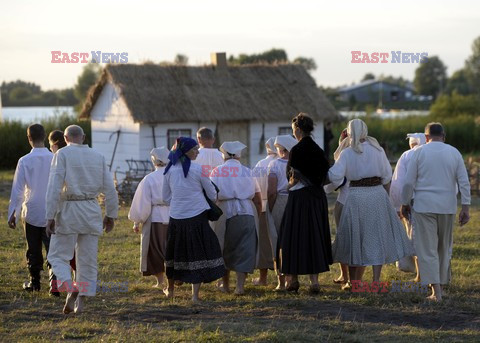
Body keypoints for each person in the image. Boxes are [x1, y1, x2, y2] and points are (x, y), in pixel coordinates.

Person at [329, 119, 413, 287]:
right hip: (376, 194)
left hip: (356, 196)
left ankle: (354, 283)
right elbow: (387, 175)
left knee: (355, 238)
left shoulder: (347, 153)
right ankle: (375, 281)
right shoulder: (378, 150)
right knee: (376, 237)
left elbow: (334, 176)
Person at [46, 125, 118, 314]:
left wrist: (49, 216)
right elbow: (110, 189)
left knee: (57, 255)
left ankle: (70, 287)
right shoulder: (98, 156)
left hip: (69, 209)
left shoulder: (62, 154)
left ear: (66, 137)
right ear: (84, 137)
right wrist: (110, 215)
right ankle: (81, 304)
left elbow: (53, 187)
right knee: (87, 260)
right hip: (91, 210)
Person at [401, 122, 470, 302]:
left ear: (426, 137)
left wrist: (405, 202)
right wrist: (466, 207)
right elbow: (464, 181)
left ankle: (436, 291)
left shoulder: (419, 152)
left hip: (424, 206)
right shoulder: (454, 153)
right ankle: (440, 286)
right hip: (447, 207)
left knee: (427, 249)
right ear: (444, 136)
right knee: (443, 248)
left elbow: (408, 182)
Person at [162, 137, 225, 303]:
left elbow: (166, 197)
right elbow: (212, 193)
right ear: (185, 151)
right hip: (197, 216)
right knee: (197, 252)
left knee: (174, 251)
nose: (197, 151)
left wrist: (179, 202)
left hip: (176, 217)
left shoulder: (168, 170)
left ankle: (171, 290)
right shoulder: (198, 169)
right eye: (194, 149)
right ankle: (195, 296)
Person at [276, 113, 333, 294]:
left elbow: (291, 177)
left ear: (299, 130)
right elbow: (325, 177)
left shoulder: (297, 150)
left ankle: (293, 280)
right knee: (313, 237)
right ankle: (314, 282)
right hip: (317, 199)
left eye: (294, 131)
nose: (294, 134)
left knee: (292, 237)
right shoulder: (319, 150)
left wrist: (290, 183)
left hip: (299, 199)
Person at [7, 124, 58, 295]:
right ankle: (55, 284)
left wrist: (12, 212)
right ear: (44, 137)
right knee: (53, 248)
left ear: (29, 138)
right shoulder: (55, 158)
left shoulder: (24, 161)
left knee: (33, 249)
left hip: (32, 210)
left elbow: (18, 190)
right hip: (52, 211)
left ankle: (34, 282)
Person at [210, 141, 262, 295]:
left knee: (223, 247)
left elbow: (212, 196)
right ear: (239, 155)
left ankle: (225, 285)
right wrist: (257, 214)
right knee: (245, 248)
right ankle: (239, 286)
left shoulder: (217, 171)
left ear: (224, 155)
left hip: (224, 210)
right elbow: (257, 198)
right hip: (247, 211)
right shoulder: (247, 171)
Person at [324, 128, 362, 291]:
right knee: (356, 240)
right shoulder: (363, 155)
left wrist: (322, 189)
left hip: (345, 201)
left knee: (344, 239)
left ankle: (348, 278)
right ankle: (349, 277)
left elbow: (335, 180)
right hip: (361, 202)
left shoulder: (344, 156)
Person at [128, 147, 170, 288]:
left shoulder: (149, 179)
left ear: (154, 161)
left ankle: (160, 281)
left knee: (155, 250)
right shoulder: (175, 175)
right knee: (173, 249)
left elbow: (142, 202)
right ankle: (174, 279)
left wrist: (136, 222)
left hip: (155, 217)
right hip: (174, 216)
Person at [390, 133, 426, 280]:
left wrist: (399, 204)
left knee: (416, 238)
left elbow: (399, 183)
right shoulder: (438, 153)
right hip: (438, 203)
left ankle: (420, 274)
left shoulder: (407, 155)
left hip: (414, 203)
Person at [266, 134, 297, 291]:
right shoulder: (298, 164)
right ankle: (294, 278)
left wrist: (270, 208)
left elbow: (271, 191)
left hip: (281, 201)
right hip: (296, 202)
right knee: (294, 240)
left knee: (277, 241)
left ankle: (281, 281)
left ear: (282, 149)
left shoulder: (274, 165)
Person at [251, 137, 277, 286]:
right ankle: (286, 278)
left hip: (263, 205)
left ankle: (263, 278)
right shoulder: (283, 163)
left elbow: (255, 189)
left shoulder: (260, 164)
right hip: (279, 205)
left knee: (264, 243)